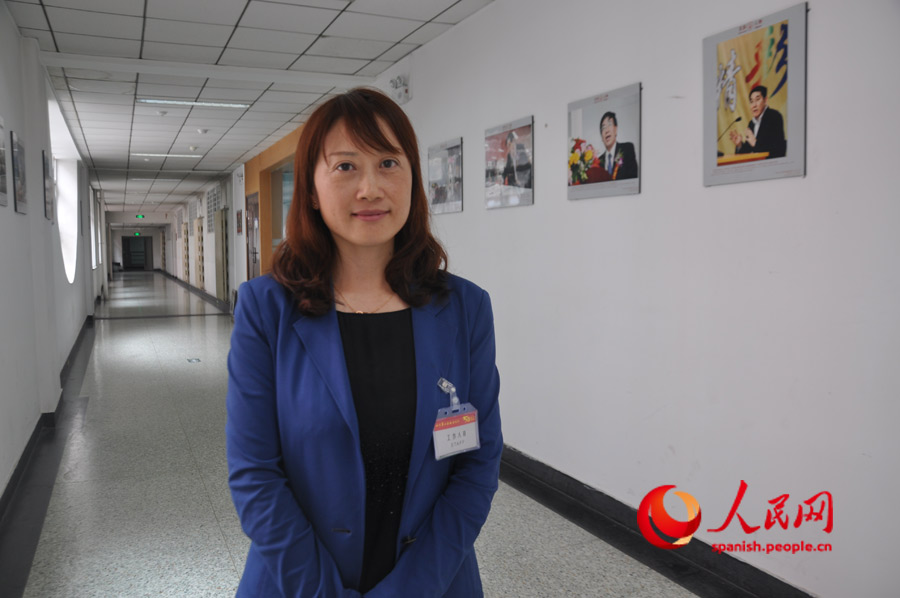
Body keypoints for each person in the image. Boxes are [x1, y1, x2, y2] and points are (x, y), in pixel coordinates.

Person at [226, 87, 502, 597]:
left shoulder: (465, 308)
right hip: (296, 584)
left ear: (413, 178)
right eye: (346, 167)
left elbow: (476, 467)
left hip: (435, 582)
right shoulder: (266, 309)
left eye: (389, 163)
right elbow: (255, 475)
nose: (371, 188)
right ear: (311, 190)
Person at [729, 85, 786, 158]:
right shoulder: (752, 123)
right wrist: (739, 145)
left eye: (757, 99)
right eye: (751, 101)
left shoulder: (774, 117)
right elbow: (748, 151)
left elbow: (777, 149)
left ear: (765, 100)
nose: (754, 105)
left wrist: (755, 142)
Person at [597, 111, 638, 180]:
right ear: (601, 136)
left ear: (616, 129)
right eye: (603, 127)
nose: (606, 130)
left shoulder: (627, 149)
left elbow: (633, 179)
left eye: (609, 125)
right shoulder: (598, 162)